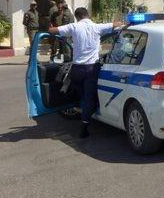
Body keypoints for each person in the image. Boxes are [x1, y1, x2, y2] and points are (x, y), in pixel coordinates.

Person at [48, 8, 123, 139]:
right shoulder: (97, 27)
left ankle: (83, 109)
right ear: (88, 15)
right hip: (91, 69)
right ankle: (84, 126)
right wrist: (124, 22)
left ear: (77, 17)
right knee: (89, 98)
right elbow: (116, 24)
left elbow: (53, 31)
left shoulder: (74, 27)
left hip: (76, 70)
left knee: (80, 94)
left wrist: (50, 26)